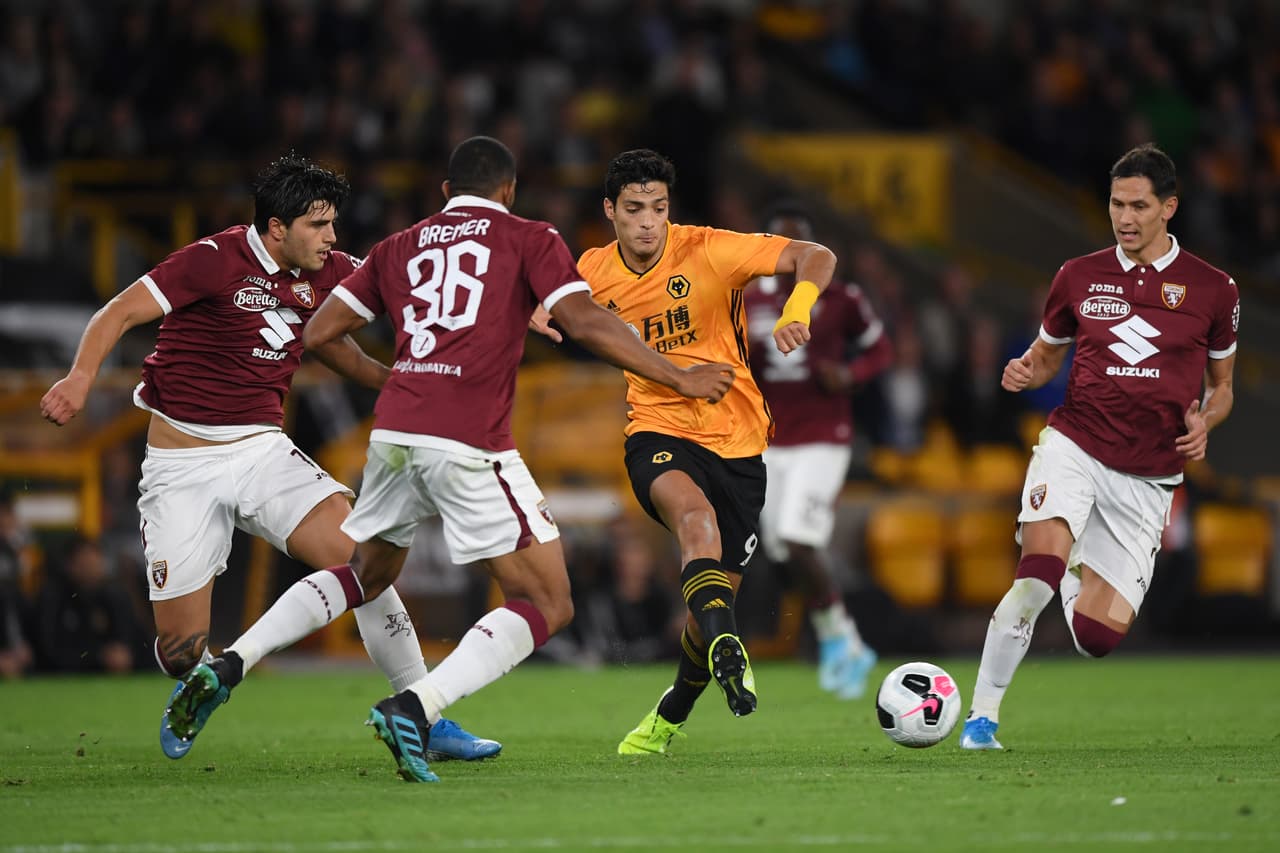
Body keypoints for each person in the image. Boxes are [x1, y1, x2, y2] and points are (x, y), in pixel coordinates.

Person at [168, 136, 735, 783]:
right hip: (469, 437)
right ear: (509, 191)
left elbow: (319, 330)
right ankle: (415, 705)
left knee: (367, 572)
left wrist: (399, 379)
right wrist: (677, 377)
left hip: (396, 430)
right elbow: (582, 321)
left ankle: (231, 661)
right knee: (549, 600)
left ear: (445, 193)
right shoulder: (528, 236)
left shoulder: (399, 246)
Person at [40, 152, 499, 762]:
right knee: (180, 649)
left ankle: (423, 713)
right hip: (182, 467)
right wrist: (78, 377)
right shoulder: (211, 259)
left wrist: (402, 377)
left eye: (334, 223)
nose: (332, 237)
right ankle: (199, 678)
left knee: (366, 559)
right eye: (319, 224)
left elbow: (346, 331)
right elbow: (117, 312)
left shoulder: (329, 270)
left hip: (262, 453)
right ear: (277, 227)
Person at [960, 144, 1239, 750]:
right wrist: (1023, 371)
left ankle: (1073, 561)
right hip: (1075, 444)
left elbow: (1222, 389)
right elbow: (1046, 358)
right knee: (1034, 577)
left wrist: (1206, 423)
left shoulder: (1214, 290)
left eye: (1139, 205)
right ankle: (981, 721)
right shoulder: (1077, 276)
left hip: (1148, 477)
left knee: (1095, 637)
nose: (1125, 217)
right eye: (1116, 203)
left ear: (1170, 207)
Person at [572, 149, 837, 755]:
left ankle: (673, 709)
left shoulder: (710, 249)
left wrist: (798, 309)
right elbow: (548, 306)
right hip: (657, 432)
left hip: (740, 443)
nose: (648, 223)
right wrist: (538, 315)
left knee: (706, 608)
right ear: (610, 211)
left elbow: (815, 256)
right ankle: (729, 642)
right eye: (634, 209)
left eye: (659, 209)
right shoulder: (589, 268)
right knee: (695, 521)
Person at [744, 203, 892, 700]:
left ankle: (840, 637)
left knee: (796, 536)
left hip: (824, 437)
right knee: (782, 548)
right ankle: (839, 635)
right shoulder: (750, 299)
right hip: (771, 439)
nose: (790, 259)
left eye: (798, 247)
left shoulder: (843, 298)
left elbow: (879, 349)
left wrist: (851, 375)